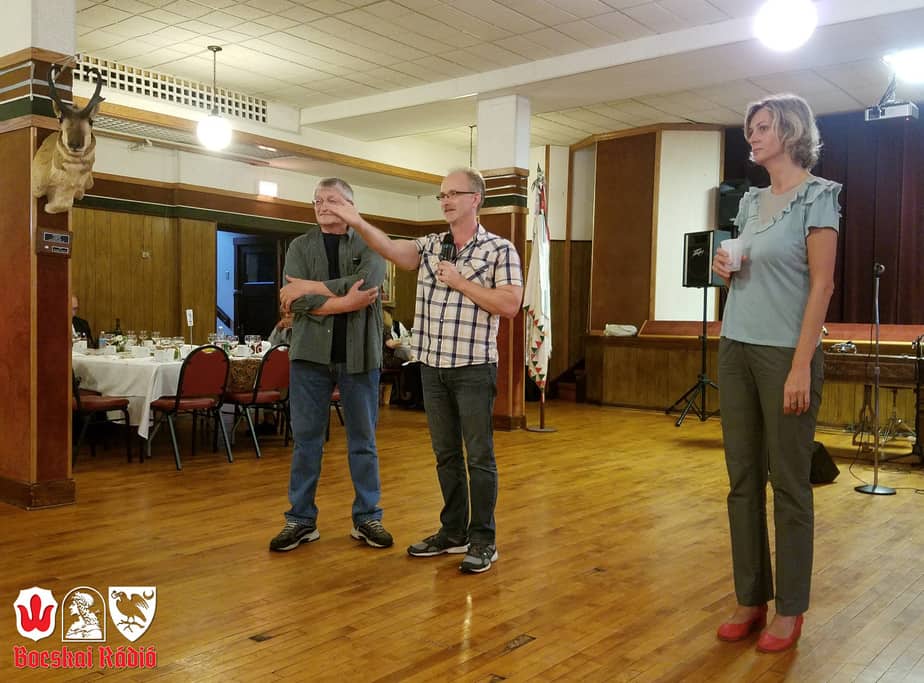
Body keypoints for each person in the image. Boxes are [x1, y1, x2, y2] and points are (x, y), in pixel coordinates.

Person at [325, 167, 523, 574]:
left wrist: (461, 282)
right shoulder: (432, 245)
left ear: (475, 199)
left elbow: (509, 305)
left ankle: (483, 540)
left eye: (453, 194)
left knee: (479, 456)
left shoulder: (500, 250)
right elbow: (391, 249)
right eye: (442, 195)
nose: (446, 201)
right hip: (432, 367)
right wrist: (357, 221)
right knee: (445, 454)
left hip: (473, 367)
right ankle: (453, 532)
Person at [712, 94, 839, 653]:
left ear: (790, 132)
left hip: (787, 354)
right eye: (750, 129)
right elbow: (741, 273)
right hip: (735, 347)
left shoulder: (819, 196)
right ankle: (750, 599)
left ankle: (790, 608)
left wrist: (801, 365)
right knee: (742, 481)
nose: (753, 137)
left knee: (788, 484)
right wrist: (723, 268)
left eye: (762, 127)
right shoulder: (749, 202)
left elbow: (822, 285)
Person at [269, 177, 394, 552]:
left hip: (360, 358)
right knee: (306, 442)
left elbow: (368, 284)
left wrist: (311, 287)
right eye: (318, 201)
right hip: (309, 357)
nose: (323, 206)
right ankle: (300, 520)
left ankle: (368, 516)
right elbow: (294, 301)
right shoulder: (300, 246)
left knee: (363, 441)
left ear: (350, 206)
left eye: (332, 200)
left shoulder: (370, 243)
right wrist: (345, 302)